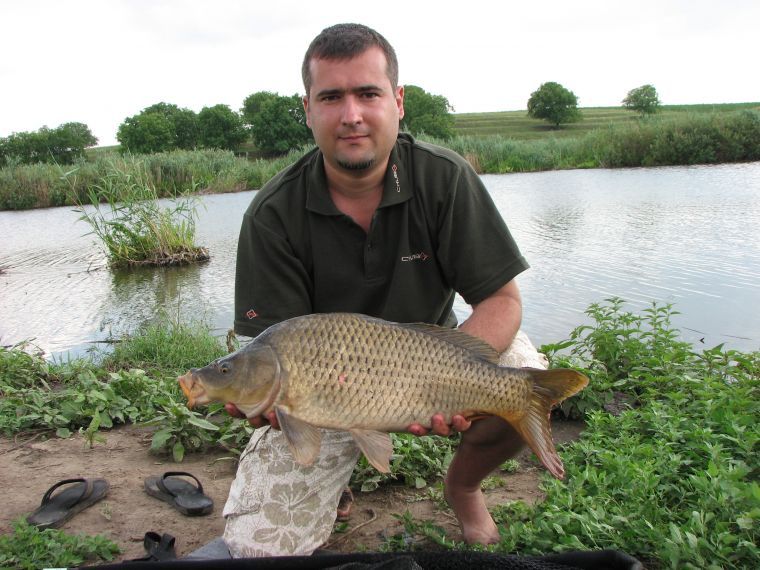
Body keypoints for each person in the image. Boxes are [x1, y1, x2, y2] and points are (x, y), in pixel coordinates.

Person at [221, 22, 547, 557]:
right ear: (308, 110)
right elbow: (271, 349)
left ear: (397, 102)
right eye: (331, 97)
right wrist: (262, 402)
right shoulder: (272, 214)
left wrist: (455, 373)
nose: (351, 115)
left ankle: (464, 488)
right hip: (323, 388)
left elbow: (501, 300)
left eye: (368, 93)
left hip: (433, 359)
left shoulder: (444, 178)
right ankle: (333, 483)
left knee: (522, 376)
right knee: (256, 552)